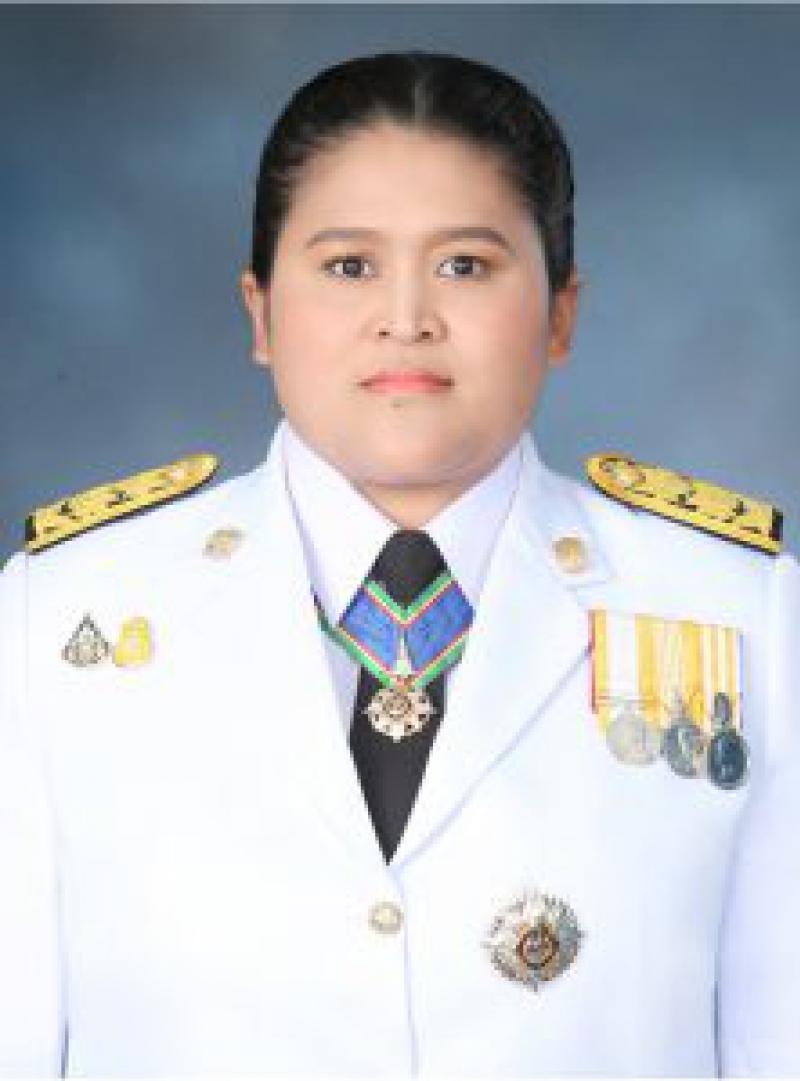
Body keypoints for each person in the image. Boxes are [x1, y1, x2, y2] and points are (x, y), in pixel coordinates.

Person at [0, 48, 798, 1078]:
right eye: (348, 266)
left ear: (560, 312)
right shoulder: (64, 620)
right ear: (259, 311)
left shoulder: (742, 613)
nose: (406, 316)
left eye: (465, 265)